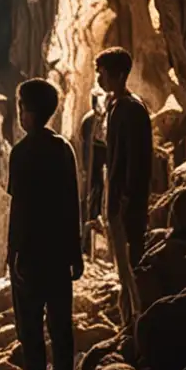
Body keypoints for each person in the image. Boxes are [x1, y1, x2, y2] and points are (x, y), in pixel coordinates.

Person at [7, 77, 84, 370]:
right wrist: (76, 252)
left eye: (21, 107)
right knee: (61, 328)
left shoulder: (22, 153)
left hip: (30, 254)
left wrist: (15, 253)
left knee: (31, 332)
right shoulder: (63, 148)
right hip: (58, 253)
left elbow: (19, 208)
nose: (19, 113)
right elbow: (72, 202)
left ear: (29, 111)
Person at [96, 45, 153, 340]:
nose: (98, 78)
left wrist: (127, 198)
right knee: (124, 268)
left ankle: (139, 329)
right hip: (119, 201)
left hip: (125, 203)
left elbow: (137, 159)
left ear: (119, 74)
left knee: (132, 268)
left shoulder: (129, 109)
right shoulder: (119, 106)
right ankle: (130, 325)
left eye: (102, 73)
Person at [80, 88, 108, 260]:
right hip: (92, 165)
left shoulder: (103, 120)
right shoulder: (89, 120)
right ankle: (88, 244)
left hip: (100, 163)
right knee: (92, 198)